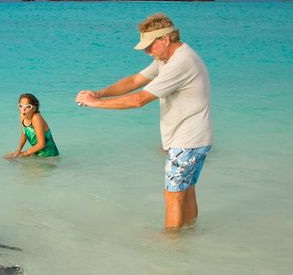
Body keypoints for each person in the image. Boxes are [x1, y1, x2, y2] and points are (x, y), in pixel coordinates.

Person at [74, 13, 213, 230]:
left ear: (165, 39)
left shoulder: (180, 63)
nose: (147, 51)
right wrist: (100, 93)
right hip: (195, 137)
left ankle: (171, 246)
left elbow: (139, 100)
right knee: (185, 190)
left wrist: (95, 104)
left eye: (150, 46)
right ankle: (189, 236)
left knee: (173, 195)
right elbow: (135, 81)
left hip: (187, 139)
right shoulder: (167, 58)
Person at [4, 93, 60, 159]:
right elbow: (24, 133)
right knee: (7, 157)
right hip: (37, 152)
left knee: (18, 161)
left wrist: (24, 154)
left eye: (27, 106)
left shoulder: (36, 118)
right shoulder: (22, 116)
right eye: (21, 106)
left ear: (34, 108)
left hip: (49, 155)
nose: (23, 109)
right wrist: (19, 150)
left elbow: (41, 144)